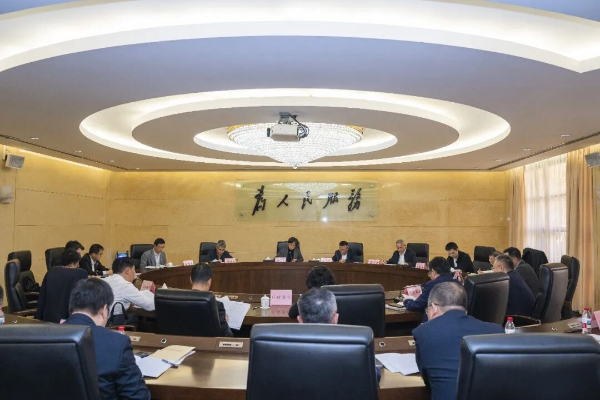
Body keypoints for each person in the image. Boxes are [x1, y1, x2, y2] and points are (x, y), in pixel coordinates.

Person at [412, 282, 504, 400]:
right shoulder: (496, 331)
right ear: (465, 309)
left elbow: (427, 379)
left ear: (434, 308)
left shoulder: (423, 332)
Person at [64, 279, 150, 400]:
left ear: (71, 308)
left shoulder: (43, 338)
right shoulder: (117, 343)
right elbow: (138, 397)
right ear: (104, 310)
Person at [297, 287, 380, 383]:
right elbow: (375, 376)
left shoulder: (284, 349)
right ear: (335, 319)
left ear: (300, 320)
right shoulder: (354, 349)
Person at [35, 249, 88, 322]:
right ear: (71, 265)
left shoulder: (51, 272)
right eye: (77, 265)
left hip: (48, 319)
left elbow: (42, 298)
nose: (78, 267)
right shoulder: (79, 274)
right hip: (71, 321)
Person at [403, 257, 456, 321]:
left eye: (429, 273)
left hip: (434, 322)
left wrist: (406, 301)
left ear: (433, 272)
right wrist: (420, 286)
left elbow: (418, 305)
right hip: (455, 321)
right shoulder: (457, 283)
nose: (430, 276)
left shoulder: (432, 285)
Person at [190, 263, 233, 337]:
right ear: (209, 282)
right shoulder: (217, 305)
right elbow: (228, 336)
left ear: (190, 279)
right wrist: (225, 322)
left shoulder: (177, 301)